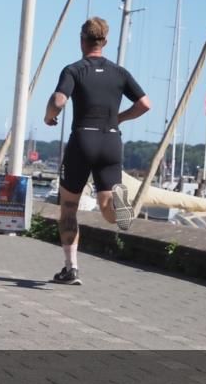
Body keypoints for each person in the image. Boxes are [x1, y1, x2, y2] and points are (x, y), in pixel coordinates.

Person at [44, 17, 151, 286]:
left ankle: (71, 269)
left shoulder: (74, 69)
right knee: (106, 209)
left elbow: (59, 100)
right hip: (111, 140)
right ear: (105, 41)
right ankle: (119, 205)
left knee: (69, 208)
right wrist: (120, 119)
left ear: (83, 39)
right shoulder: (120, 72)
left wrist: (49, 115)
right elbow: (145, 104)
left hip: (83, 140)